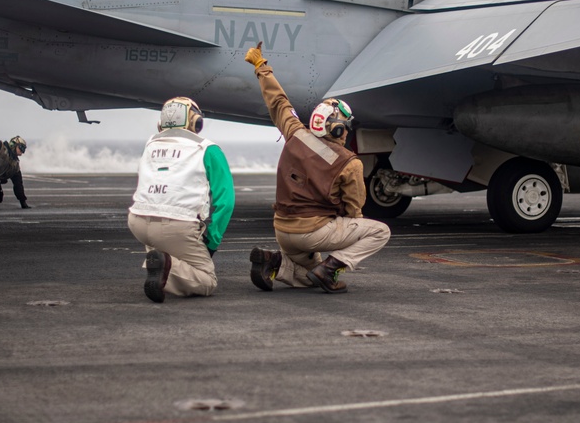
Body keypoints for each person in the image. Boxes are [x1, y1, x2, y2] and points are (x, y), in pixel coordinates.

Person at [244, 42, 390, 294]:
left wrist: (261, 66)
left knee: (309, 277)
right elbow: (355, 209)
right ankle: (333, 268)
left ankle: (275, 261)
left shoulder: (294, 132)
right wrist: (347, 231)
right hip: (313, 232)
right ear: (337, 128)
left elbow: (277, 101)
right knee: (380, 231)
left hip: (282, 229)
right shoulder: (349, 162)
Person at [128, 97, 235, 303]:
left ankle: (161, 263)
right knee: (207, 280)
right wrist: (212, 241)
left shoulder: (150, 144)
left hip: (138, 223)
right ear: (196, 122)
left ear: (161, 124)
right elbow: (226, 201)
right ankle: (166, 265)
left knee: (160, 247)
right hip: (176, 226)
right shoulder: (208, 149)